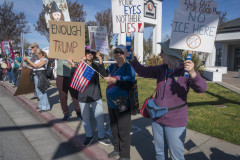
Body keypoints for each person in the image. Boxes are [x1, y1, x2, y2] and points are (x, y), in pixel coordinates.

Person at [127, 40, 207, 160]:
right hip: (157, 117)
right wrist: (132, 59)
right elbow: (143, 71)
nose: (159, 54)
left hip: (175, 121)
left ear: (170, 55)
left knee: (176, 156)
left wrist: (193, 73)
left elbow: (201, 88)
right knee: (160, 154)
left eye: (162, 52)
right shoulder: (162, 69)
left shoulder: (184, 72)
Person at [68, 49, 111, 146]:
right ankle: (89, 136)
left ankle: (101, 136)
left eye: (91, 53)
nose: (89, 55)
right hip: (83, 97)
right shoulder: (79, 65)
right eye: (87, 53)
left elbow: (104, 74)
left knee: (100, 119)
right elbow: (72, 78)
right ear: (84, 54)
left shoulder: (95, 65)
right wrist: (72, 65)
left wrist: (100, 60)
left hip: (96, 96)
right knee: (86, 119)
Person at [104, 45, 136, 160]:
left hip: (123, 104)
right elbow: (102, 73)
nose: (117, 54)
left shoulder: (128, 67)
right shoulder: (112, 67)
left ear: (125, 54)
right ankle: (117, 148)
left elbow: (128, 85)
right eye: (116, 52)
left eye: (120, 52)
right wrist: (99, 59)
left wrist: (114, 81)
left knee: (123, 131)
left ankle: (125, 156)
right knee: (114, 128)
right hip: (111, 103)